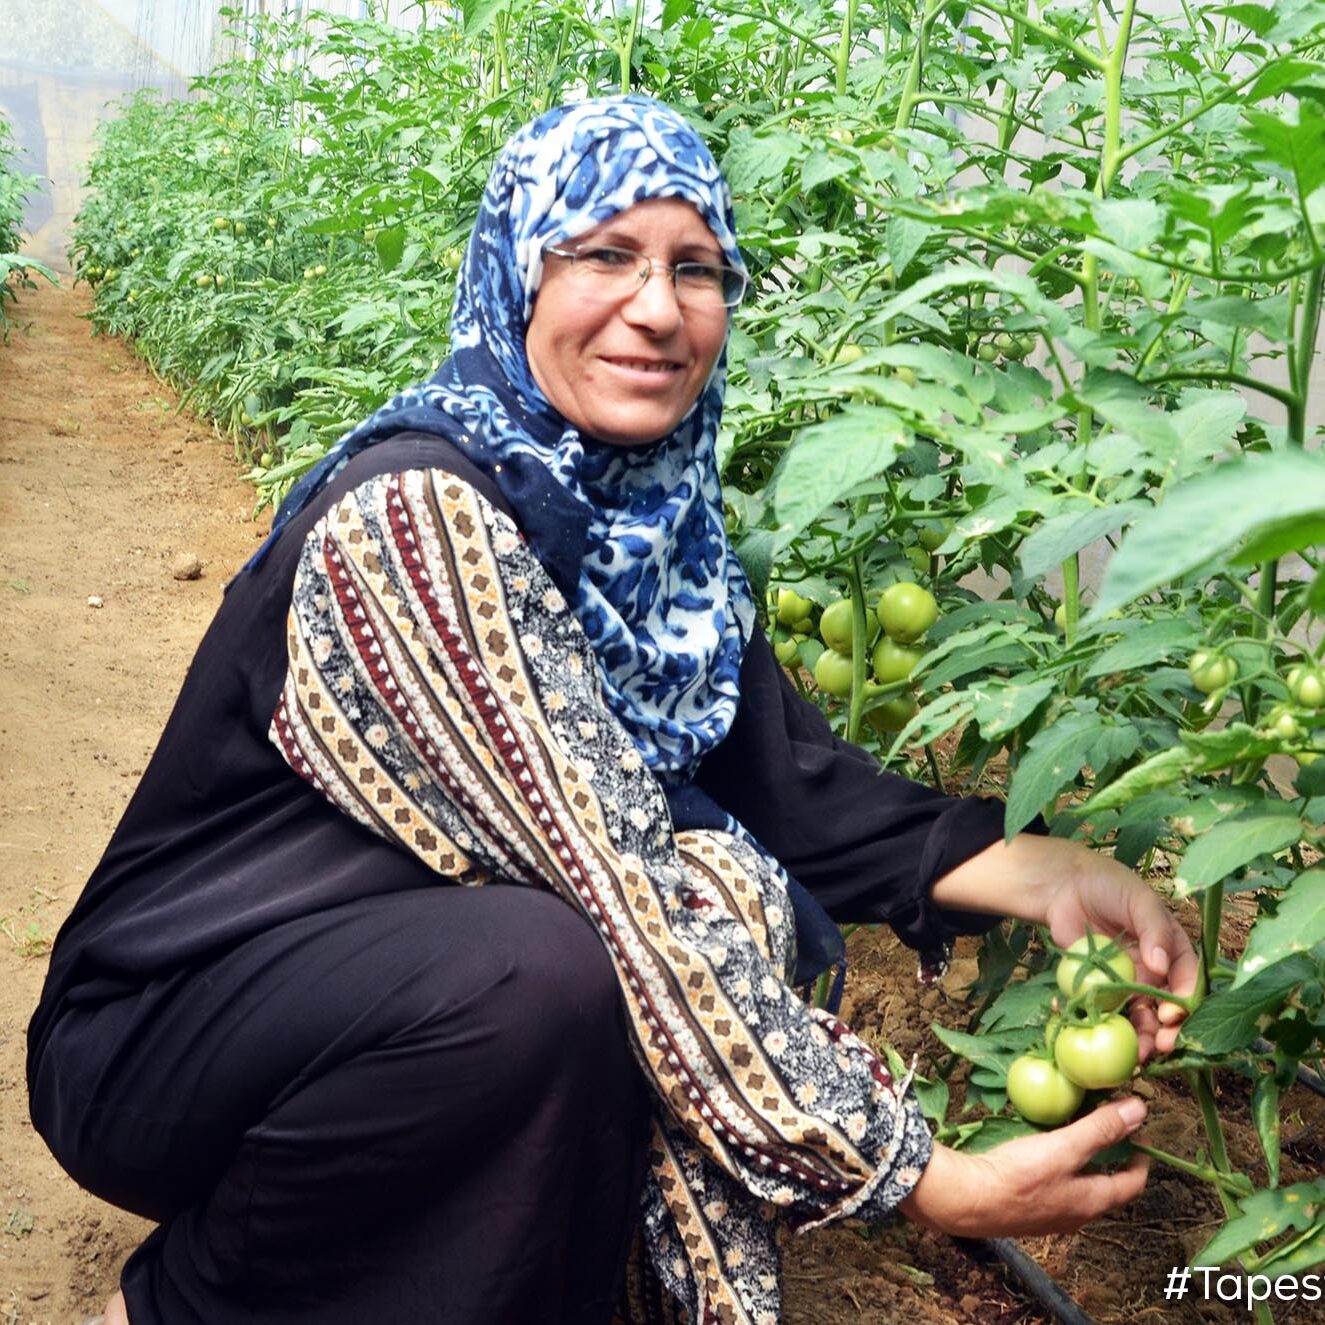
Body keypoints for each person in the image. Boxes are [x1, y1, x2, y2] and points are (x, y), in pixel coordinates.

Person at [29, 95, 1197, 1325]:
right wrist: (924, 1177)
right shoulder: (416, 522)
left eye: (696, 268)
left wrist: (1045, 872)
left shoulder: (658, 537)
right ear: (515, 274)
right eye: (602, 255)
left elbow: (782, 779)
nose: (655, 307)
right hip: (165, 1036)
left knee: (632, 948)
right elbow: (626, 900)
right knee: (557, 975)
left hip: (374, 996)